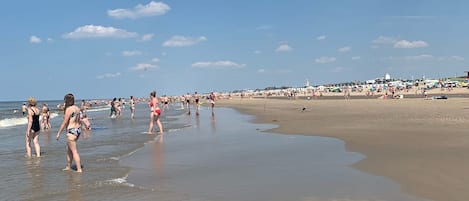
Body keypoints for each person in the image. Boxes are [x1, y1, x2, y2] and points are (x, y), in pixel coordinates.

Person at [56, 93, 82, 173]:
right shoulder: (77, 108)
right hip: (77, 130)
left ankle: (79, 169)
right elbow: (79, 119)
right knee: (68, 149)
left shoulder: (69, 109)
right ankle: (68, 166)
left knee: (74, 151)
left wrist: (58, 133)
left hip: (71, 131)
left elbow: (64, 122)